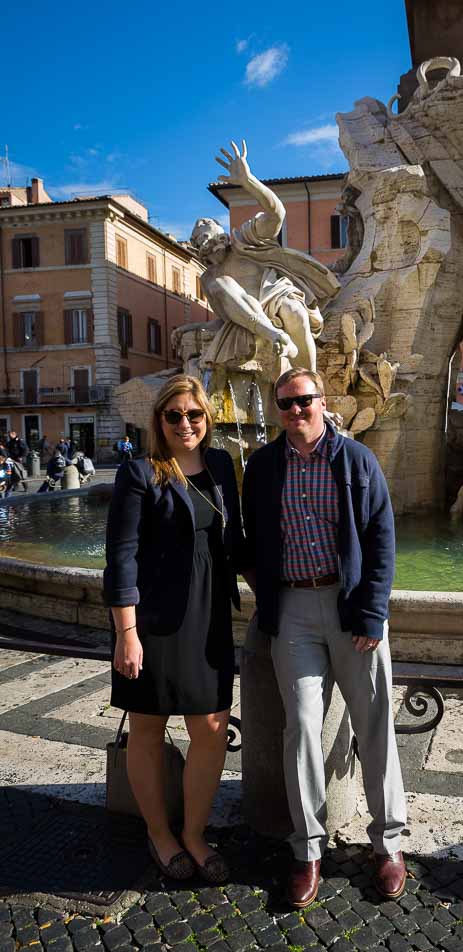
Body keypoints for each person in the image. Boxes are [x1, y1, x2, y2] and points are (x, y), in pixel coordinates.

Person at [242, 367, 407, 909]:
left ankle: (387, 844)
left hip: (351, 605)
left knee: (375, 725)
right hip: (292, 609)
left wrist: (373, 612)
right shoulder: (264, 466)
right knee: (302, 729)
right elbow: (252, 538)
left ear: (322, 402)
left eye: (304, 401)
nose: (296, 412)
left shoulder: (357, 458)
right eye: (286, 404)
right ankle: (308, 849)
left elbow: (382, 537)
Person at [103, 374, 246, 883]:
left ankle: (194, 832)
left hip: (209, 618)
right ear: (159, 421)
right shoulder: (140, 473)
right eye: (174, 415)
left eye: (194, 415)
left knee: (209, 727)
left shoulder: (223, 465)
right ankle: (160, 833)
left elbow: (236, 541)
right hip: (155, 622)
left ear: (207, 419)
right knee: (147, 725)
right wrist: (126, 632)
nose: (185, 423)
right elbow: (120, 557)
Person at [174, 140, 338, 373]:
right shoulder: (209, 279)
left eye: (208, 235)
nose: (206, 243)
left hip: (277, 297)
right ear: (198, 249)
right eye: (200, 241)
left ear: (222, 235)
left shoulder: (245, 240)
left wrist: (248, 181)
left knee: (295, 313)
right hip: (253, 321)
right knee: (221, 282)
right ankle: (276, 336)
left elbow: (276, 214)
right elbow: (226, 317)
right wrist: (194, 326)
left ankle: (313, 388)